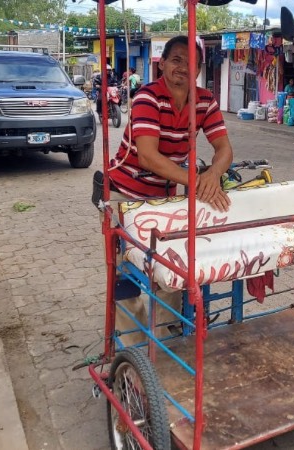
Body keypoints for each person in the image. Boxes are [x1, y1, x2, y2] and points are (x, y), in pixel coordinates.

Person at [98, 35, 233, 345]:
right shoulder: (148, 98)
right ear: (162, 65)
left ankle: (167, 344)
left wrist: (213, 173)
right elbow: (148, 155)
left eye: (191, 62)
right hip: (124, 195)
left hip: (164, 196)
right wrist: (199, 182)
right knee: (126, 275)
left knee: (172, 269)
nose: (184, 68)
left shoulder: (205, 100)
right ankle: (132, 351)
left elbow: (224, 148)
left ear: (200, 68)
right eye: (176, 60)